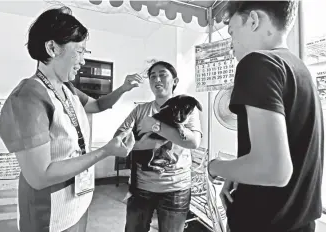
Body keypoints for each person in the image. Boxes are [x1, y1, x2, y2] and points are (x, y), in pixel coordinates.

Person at [0, 6, 140, 232]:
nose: (83, 60)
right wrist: (105, 151)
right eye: (80, 51)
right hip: (49, 216)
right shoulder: (28, 98)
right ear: (52, 47)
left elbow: (98, 104)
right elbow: (40, 176)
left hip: (76, 202)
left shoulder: (66, 89)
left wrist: (123, 88)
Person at [207, 1, 324, 232]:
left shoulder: (258, 62)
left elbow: (273, 169)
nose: (231, 44)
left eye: (232, 31)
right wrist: (239, 172)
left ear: (253, 20)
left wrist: (215, 167)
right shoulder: (300, 70)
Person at [115, 61, 202, 232]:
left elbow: (193, 142)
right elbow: (118, 142)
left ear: (175, 81)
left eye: (163, 74)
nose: (157, 79)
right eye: (153, 76)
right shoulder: (140, 110)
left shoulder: (188, 107)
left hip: (176, 188)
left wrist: (156, 127)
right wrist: (145, 143)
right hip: (141, 187)